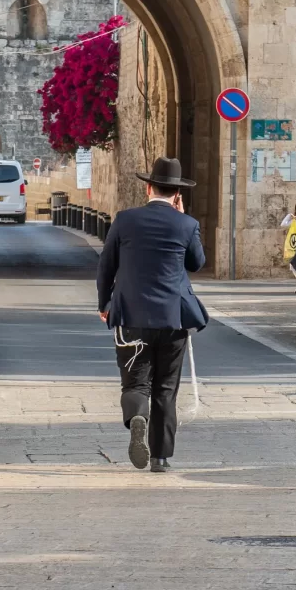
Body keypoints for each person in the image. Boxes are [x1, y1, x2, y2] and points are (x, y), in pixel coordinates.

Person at [96, 157, 208, 473]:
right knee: (166, 388)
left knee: (135, 382)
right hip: (173, 318)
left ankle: (137, 418)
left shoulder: (124, 220)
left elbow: (106, 266)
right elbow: (197, 263)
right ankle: (161, 457)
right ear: (176, 194)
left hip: (131, 314)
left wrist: (105, 304)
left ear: (148, 187)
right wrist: (185, 220)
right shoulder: (186, 225)